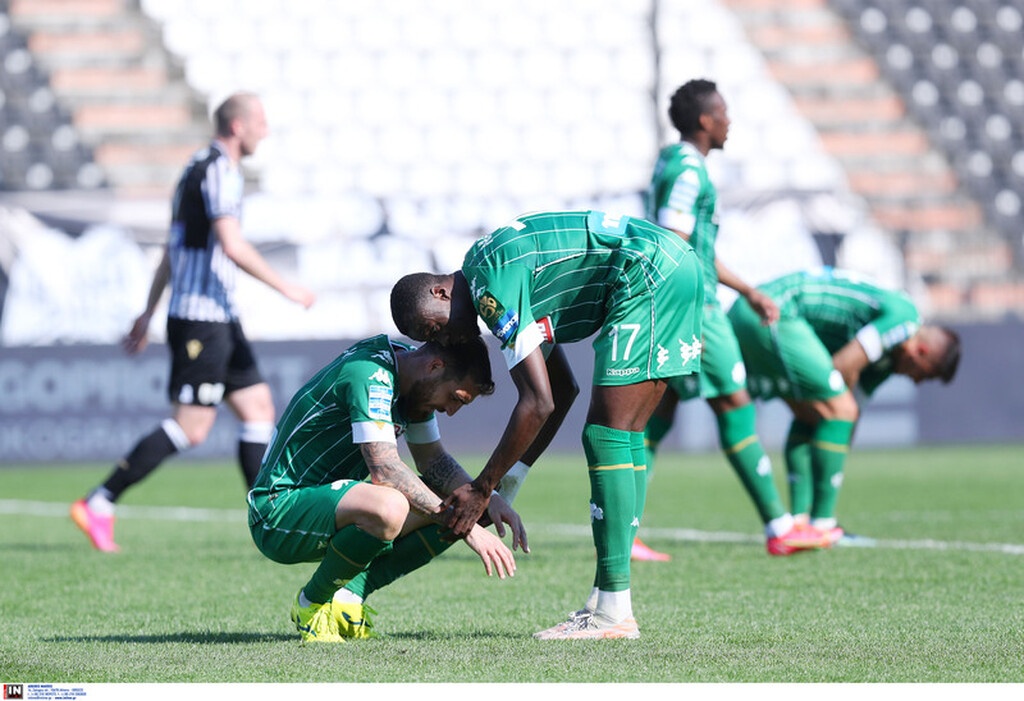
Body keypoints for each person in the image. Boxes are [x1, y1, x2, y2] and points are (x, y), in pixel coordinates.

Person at [391, 209, 704, 640]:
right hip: (668, 262)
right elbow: (562, 391)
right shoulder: (495, 268)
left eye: (435, 329)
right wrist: (511, 479)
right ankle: (607, 601)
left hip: (646, 272)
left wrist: (482, 490)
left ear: (440, 291)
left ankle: (613, 611)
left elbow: (537, 403)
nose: (445, 341)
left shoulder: (491, 292)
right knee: (622, 434)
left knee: (606, 434)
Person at [71, 92, 315, 552]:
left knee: (258, 408)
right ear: (238, 126)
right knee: (192, 427)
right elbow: (232, 244)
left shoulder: (193, 167)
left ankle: (267, 511)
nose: (266, 129)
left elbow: (172, 248)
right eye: (260, 121)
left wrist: (147, 312)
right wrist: (287, 288)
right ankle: (99, 502)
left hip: (215, 317)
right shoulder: (220, 171)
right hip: (202, 320)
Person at [638, 78, 827, 560]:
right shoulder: (687, 173)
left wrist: (748, 289)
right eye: (723, 112)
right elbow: (674, 243)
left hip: (686, 303)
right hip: (695, 310)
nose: (729, 121)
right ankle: (779, 526)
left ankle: (627, 531)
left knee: (659, 415)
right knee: (736, 404)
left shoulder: (674, 162)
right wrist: (682, 311)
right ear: (706, 121)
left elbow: (696, 249)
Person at [248, 333, 522, 643]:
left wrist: (488, 498)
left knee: (467, 502)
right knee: (391, 506)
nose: (451, 411)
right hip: (278, 510)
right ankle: (312, 604)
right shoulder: (371, 375)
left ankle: (348, 597)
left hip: (329, 505)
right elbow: (386, 470)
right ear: (434, 366)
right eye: (456, 398)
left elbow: (433, 462)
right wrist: (469, 529)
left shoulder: (412, 380)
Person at [728, 267, 961, 539]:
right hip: (774, 310)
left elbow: (852, 413)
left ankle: (800, 524)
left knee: (812, 416)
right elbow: (844, 366)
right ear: (920, 353)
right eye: (924, 375)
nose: (916, 382)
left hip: (752, 312)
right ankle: (823, 526)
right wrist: (839, 416)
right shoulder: (905, 319)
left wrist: (836, 436)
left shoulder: (887, 361)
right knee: (837, 409)